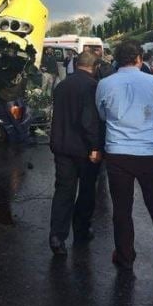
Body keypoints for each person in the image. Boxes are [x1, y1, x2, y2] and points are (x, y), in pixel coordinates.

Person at [96, 40, 153, 270]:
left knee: (122, 209)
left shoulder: (104, 84)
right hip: (148, 152)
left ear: (116, 59)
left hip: (117, 153)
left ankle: (125, 255)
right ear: (139, 59)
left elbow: (102, 116)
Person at [49, 51, 103, 256]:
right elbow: (89, 120)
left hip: (61, 146)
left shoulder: (62, 85)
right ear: (94, 66)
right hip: (83, 150)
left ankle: (57, 236)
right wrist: (95, 147)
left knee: (63, 191)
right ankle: (81, 229)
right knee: (87, 190)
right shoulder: (91, 86)